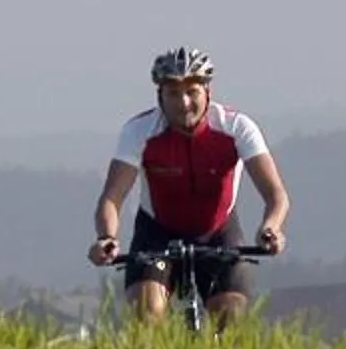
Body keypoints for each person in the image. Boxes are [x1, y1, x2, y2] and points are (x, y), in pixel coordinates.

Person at [87, 46, 289, 327]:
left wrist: (271, 228)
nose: (183, 103)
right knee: (147, 313)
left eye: (192, 92)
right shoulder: (139, 131)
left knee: (229, 316)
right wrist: (106, 237)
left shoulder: (236, 127)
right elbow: (112, 197)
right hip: (157, 234)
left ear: (208, 92)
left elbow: (275, 194)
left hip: (218, 232)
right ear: (160, 97)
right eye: (173, 93)